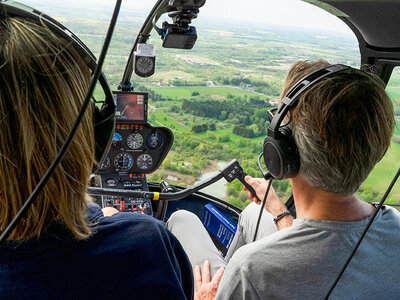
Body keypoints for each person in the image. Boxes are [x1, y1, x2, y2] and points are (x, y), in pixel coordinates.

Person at [167, 59, 400, 299]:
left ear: (282, 149)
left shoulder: (252, 270)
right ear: (378, 150)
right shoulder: (396, 226)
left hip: (246, 280)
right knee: (253, 213)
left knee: (182, 219)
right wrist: (278, 210)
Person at [0, 17, 193, 299]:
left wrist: (98, 217)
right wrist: (106, 222)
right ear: (93, 135)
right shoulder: (145, 245)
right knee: (185, 218)